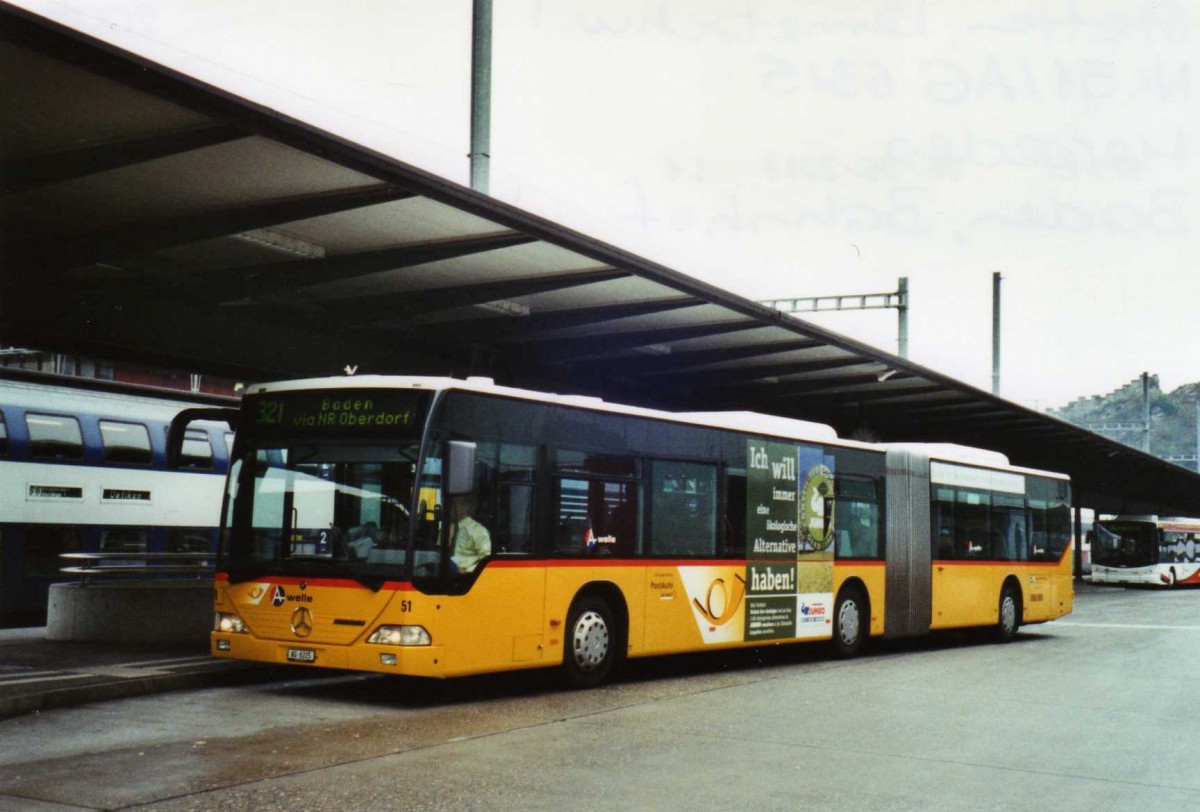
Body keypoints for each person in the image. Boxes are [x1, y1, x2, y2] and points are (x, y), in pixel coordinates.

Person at [449, 494, 491, 573]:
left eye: (453, 505)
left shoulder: (478, 530)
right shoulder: (446, 529)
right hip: (444, 574)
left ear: (464, 507)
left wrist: (468, 570)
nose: (450, 508)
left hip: (465, 576)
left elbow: (487, 559)